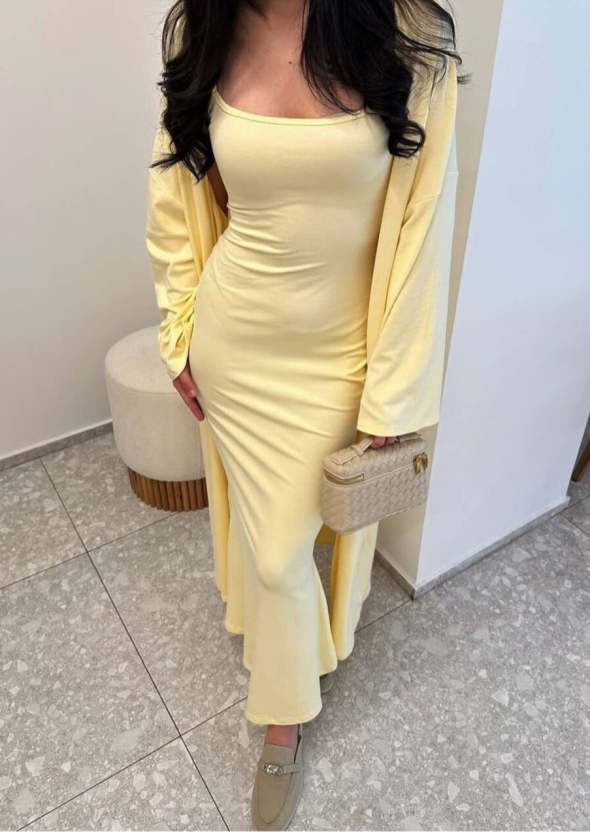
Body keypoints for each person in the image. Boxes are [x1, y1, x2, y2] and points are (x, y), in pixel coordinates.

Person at [146, 1, 464, 828]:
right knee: (275, 550)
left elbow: (424, 225)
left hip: (339, 356)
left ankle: (288, 673)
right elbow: (172, 193)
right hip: (233, 341)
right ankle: (283, 723)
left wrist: (394, 392)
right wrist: (179, 336)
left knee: (282, 548)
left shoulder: (411, 34)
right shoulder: (202, 24)